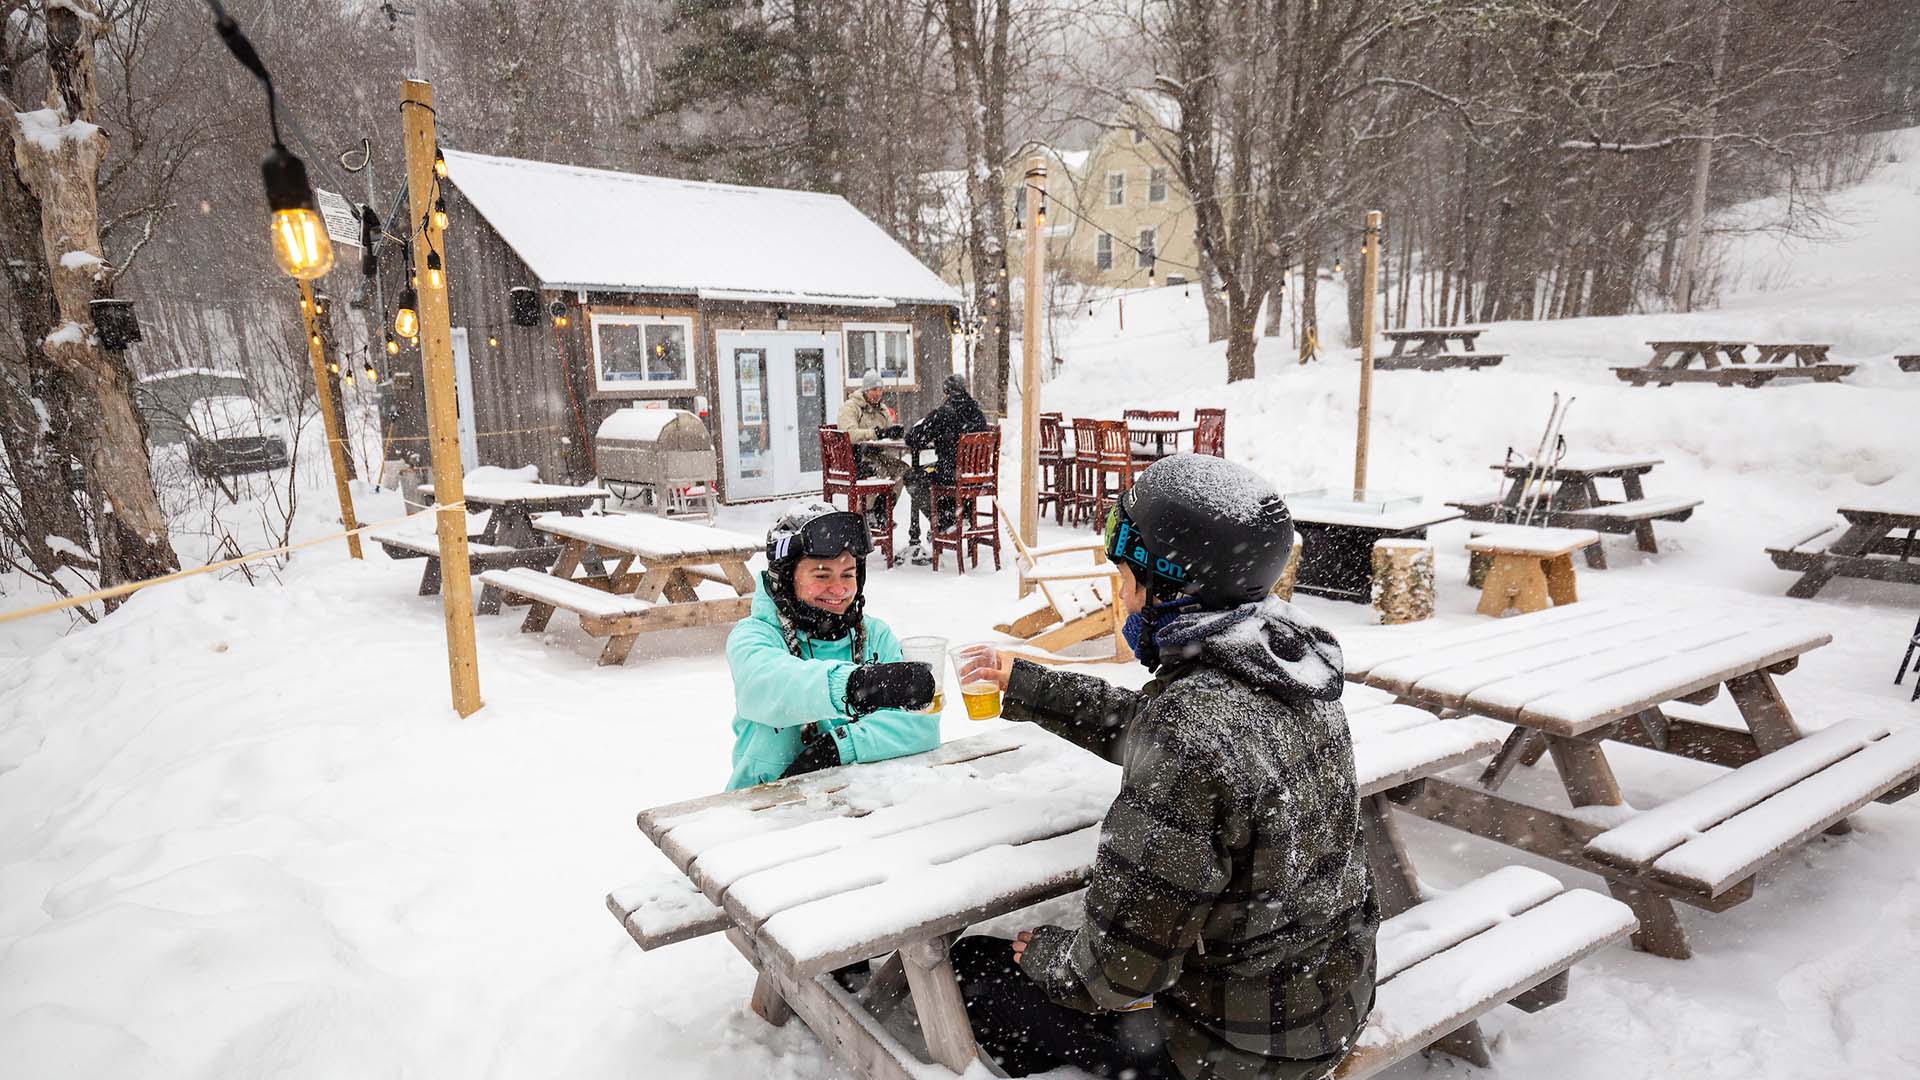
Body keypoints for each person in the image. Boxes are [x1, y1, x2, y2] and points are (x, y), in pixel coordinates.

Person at [953, 455, 1377, 1080]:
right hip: (1328, 1003)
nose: (1118, 595)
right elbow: (1167, 739)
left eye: (1124, 577)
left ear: (1171, 585)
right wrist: (1033, 688)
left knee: (976, 970)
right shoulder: (1285, 672)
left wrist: (1046, 954)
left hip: (1240, 1050)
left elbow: (1120, 975)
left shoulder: (1191, 728)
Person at [723, 503, 939, 789]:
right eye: (822, 576)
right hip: (763, 809)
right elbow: (768, 685)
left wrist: (837, 748)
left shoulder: (875, 635)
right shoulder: (754, 635)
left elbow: (921, 726)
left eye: (848, 574)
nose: (839, 590)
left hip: (860, 803)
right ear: (786, 578)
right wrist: (855, 685)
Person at [898, 373, 992, 564]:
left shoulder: (944, 412)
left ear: (946, 391)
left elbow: (914, 439)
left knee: (914, 477)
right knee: (933, 473)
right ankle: (961, 516)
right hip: (975, 476)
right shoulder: (978, 413)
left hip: (951, 474)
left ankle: (944, 522)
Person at [836, 369, 907, 532]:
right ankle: (868, 513)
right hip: (856, 458)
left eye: (880, 389)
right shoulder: (851, 407)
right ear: (865, 390)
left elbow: (886, 433)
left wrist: (894, 433)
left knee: (904, 471)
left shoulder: (882, 410)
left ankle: (881, 510)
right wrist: (876, 433)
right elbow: (849, 434)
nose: (878, 393)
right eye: (874, 390)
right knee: (879, 472)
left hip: (878, 455)